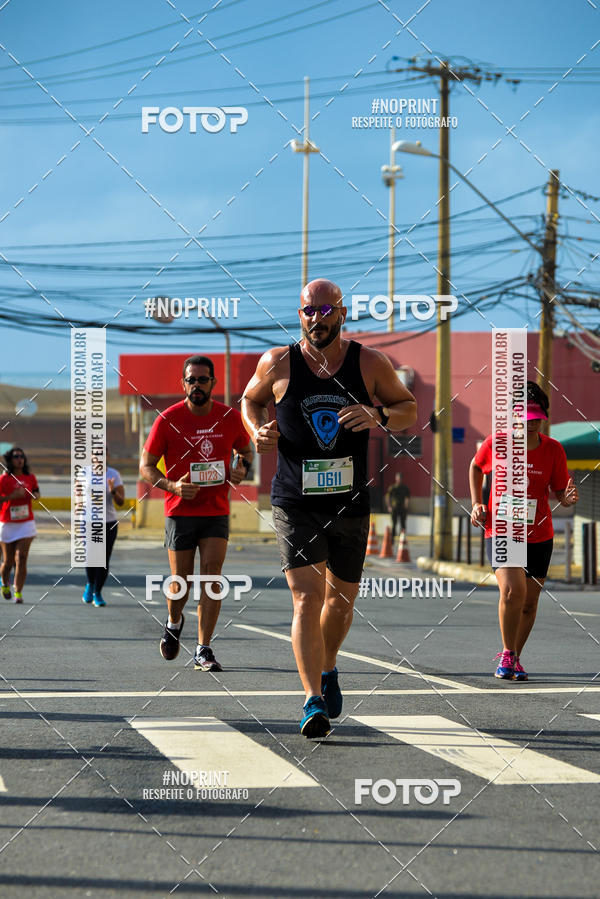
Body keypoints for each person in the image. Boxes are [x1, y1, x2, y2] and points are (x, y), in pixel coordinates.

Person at [241, 278, 417, 737]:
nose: (316, 319)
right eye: (307, 311)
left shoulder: (370, 362)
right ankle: (311, 700)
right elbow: (249, 401)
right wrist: (255, 430)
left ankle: (329, 664)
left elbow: (408, 408)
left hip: (350, 501)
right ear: (298, 315)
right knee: (305, 597)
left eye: (325, 311)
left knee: (339, 602)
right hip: (294, 500)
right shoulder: (278, 361)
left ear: (341, 313)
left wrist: (378, 415)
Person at [140, 355, 253, 671]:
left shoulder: (229, 418)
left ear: (213, 383)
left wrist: (240, 468)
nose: (197, 385)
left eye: (204, 379)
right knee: (181, 581)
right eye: (192, 380)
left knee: (213, 576)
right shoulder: (168, 419)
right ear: (184, 383)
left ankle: (203, 649)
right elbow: (145, 467)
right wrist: (173, 486)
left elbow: (245, 452)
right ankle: (174, 622)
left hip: (215, 511)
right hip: (180, 511)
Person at [469, 380, 579, 681]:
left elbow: (560, 492)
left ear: (543, 418)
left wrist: (567, 499)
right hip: (501, 529)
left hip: (540, 535)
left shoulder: (554, 450)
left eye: (536, 420)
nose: (530, 426)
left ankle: (515, 656)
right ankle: (506, 654)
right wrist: (477, 503)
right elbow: (476, 467)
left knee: (529, 602)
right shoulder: (496, 444)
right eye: (524, 420)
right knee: (511, 590)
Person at [82, 454, 125, 608]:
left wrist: (113, 491)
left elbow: (121, 502)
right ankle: (90, 584)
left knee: (103, 559)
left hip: (109, 522)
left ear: (107, 455)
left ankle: (98, 593)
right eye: (96, 454)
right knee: (90, 556)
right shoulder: (84, 472)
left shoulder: (113, 474)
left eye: (102, 453)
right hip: (88, 521)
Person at [0, 447, 40, 603]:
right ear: (10, 460)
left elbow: (36, 492)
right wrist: (11, 496)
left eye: (22, 456)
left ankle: (18, 592)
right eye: (16, 456)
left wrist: (36, 496)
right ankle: (4, 584)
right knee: (8, 561)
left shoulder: (30, 477)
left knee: (21, 557)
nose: (20, 459)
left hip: (26, 522)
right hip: (8, 522)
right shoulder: (4, 479)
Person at [385, 471, 410, 538]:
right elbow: (387, 497)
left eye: (400, 478)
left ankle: (403, 539)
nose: (399, 479)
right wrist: (389, 506)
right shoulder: (392, 488)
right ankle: (392, 539)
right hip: (394, 508)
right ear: (396, 478)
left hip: (402, 508)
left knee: (403, 524)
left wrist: (406, 507)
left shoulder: (405, 488)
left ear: (402, 479)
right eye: (398, 478)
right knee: (394, 524)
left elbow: (407, 498)